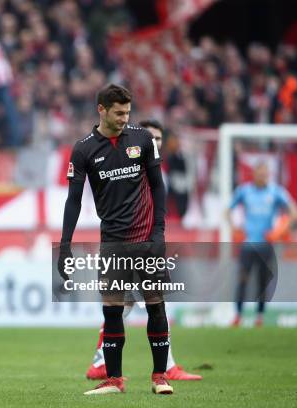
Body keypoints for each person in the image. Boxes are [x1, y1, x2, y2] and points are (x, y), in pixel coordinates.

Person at [57, 84, 172, 395]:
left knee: (155, 306)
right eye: (118, 112)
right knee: (112, 310)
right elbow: (73, 201)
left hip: (147, 237)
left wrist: (159, 231)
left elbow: (158, 187)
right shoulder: (83, 149)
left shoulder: (143, 139)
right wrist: (65, 245)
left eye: (127, 112)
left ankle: (159, 377)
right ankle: (115, 380)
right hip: (112, 241)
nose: (124, 118)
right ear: (102, 110)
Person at [85, 120, 202, 382]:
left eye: (160, 139)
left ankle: (105, 362)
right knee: (129, 306)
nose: (156, 144)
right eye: (153, 139)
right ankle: (108, 362)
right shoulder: (132, 167)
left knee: (143, 305)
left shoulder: (156, 171)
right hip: (129, 245)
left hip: (150, 243)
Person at [227, 162, 297, 327]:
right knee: (242, 280)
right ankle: (238, 315)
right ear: (254, 174)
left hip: (266, 246)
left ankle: (259, 317)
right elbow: (227, 210)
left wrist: (280, 231)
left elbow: (294, 212)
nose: (263, 176)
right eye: (260, 173)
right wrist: (234, 228)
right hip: (247, 245)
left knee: (262, 282)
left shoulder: (276, 192)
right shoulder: (244, 191)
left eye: (266, 174)